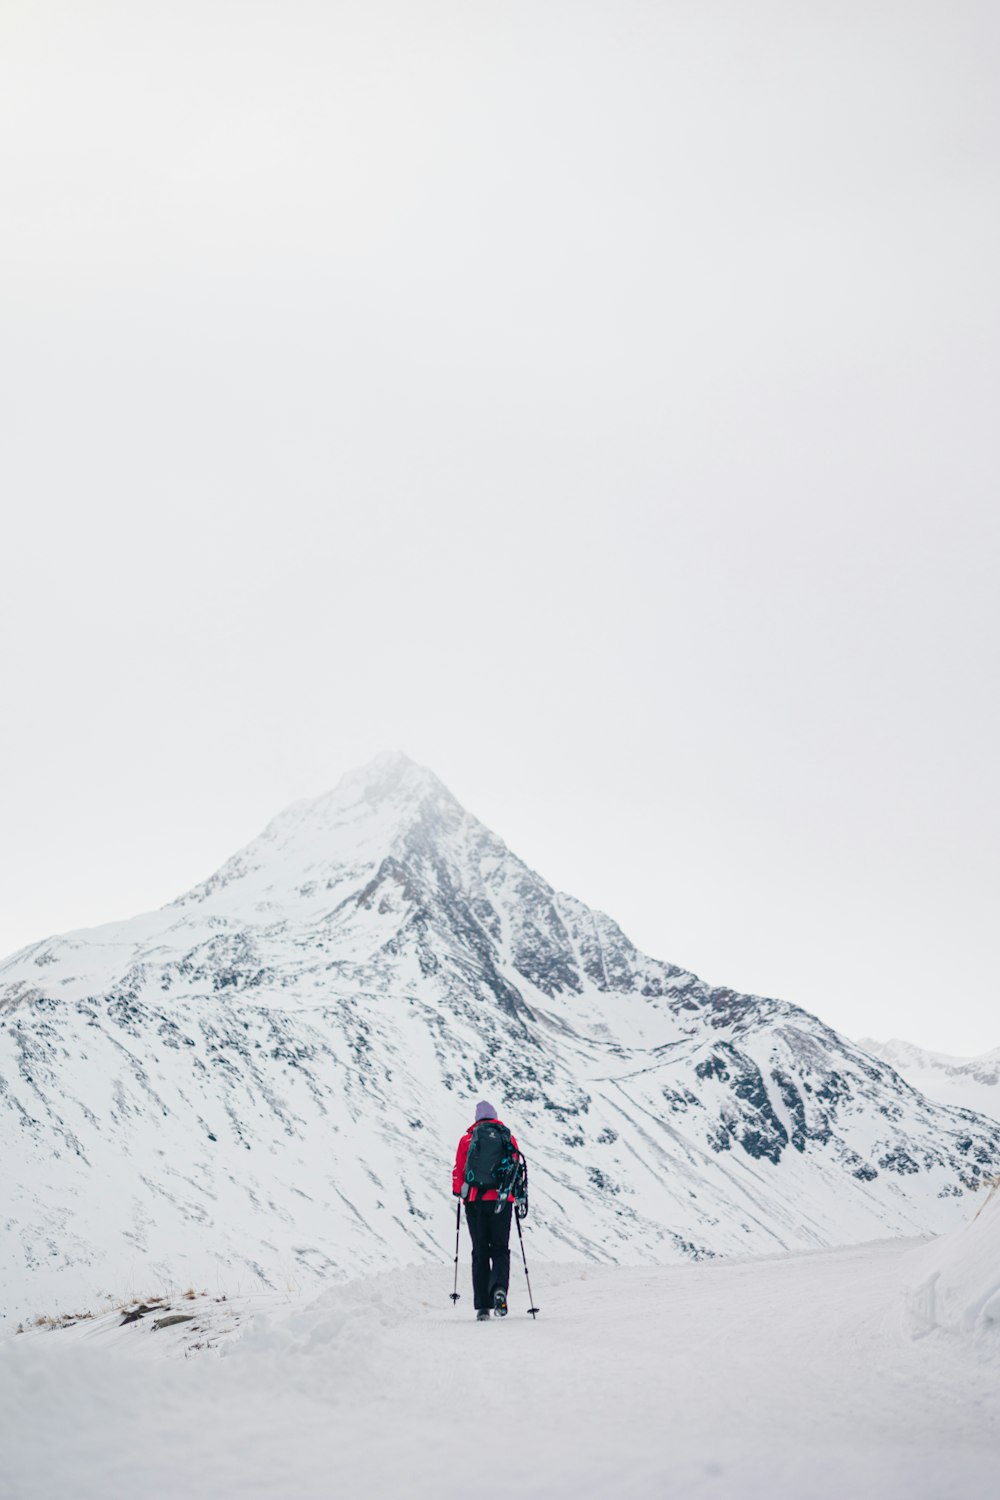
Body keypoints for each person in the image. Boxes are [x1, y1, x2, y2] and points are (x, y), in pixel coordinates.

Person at [452, 1100, 522, 1320]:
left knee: (480, 1250)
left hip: (475, 1201)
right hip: (502, 1201)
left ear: (477, 1119)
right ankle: (499, 1289)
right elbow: (516, 1170)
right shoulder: (507, 1138)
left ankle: (483, 1306)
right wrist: (516, 1196)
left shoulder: (467, 1139)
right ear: (495, 1117)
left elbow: (458, 1171)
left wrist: (459, 1192)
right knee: (500, 1248)